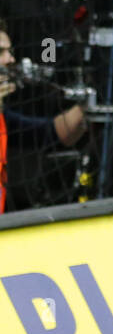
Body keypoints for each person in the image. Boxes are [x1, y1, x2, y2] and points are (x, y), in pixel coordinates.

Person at [0, 21, 87, 213]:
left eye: (9, 51)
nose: (10, 59)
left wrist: (90, 103)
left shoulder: (3, 118)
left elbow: (52, 133)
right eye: (1, 52)